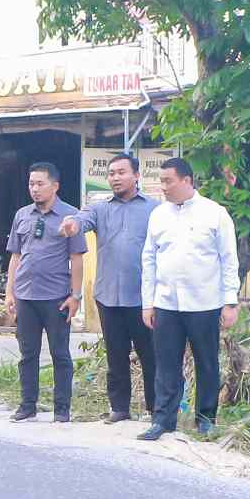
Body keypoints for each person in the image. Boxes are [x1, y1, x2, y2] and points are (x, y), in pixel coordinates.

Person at [136, 157, 238, 441]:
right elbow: (149, 259)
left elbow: (229, 260)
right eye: (161, 181)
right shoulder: (158, 215)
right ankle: (163, 420)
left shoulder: (214, 214)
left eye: (168, 181)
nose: (163, 187)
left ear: (187, 180)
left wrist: (230, 302)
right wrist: (148, 303)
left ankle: (206, 419)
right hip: (166, 303)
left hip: (204, 303)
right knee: (166, 364)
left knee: (207, 363)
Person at [65, 154, 156, 422]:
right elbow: (82, 219)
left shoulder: (155, 209)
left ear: (136, 175)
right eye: (111, 173)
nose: (115, 178)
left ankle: (156, 410)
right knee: (116, 356)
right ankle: (119, 408)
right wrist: (73, 224)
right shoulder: (100, 209)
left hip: (143, 299)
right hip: (109, 296)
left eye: (121, 172)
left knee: (151, 356)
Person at [5, 161, 87, 423]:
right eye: (31, 184)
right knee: (27, 354)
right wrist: (9, 293)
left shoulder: (70, 216)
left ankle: (61, 409)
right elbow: (16, 256)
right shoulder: (22, 215)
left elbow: (76, 259)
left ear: (55, 186)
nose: (35, 189)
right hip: (25, 296)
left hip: (56, 298)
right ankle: (27, 405)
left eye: (40, 184)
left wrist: (75, 296)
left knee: (60, 355)